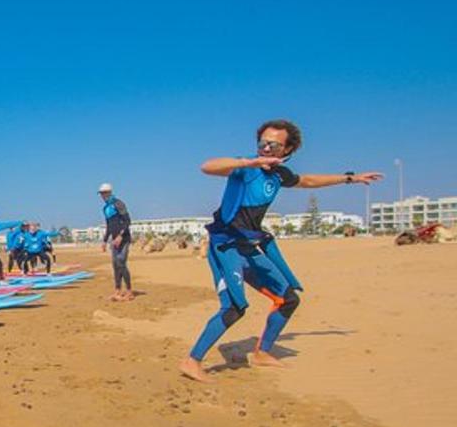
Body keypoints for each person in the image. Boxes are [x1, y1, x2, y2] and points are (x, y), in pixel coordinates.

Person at [179, 119, 381, 382]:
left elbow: (307, 181)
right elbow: (207, 167)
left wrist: (350, 178)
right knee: (234, 307)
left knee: (288, 299)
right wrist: (246, 162)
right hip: (225, 246)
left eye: (272, 144)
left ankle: (261, 353)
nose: (265, 148)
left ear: (286, 151)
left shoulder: (279, 174)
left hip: (249, 246)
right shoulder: (244, 168)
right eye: (262, 142)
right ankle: (192, 360)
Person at [98, 183, 133, 301]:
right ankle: (117, 291)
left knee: (121, 262)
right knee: (115, 265)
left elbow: (127, 221)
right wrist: (104, 241)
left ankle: (129, 291)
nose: (102, 196)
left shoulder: (118, 203)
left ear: (109, 192)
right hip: (114, 241)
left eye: (104, 193)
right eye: (101, 194)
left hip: (124, 238)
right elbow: (109, 226)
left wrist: (120, 236)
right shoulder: (105, 208)